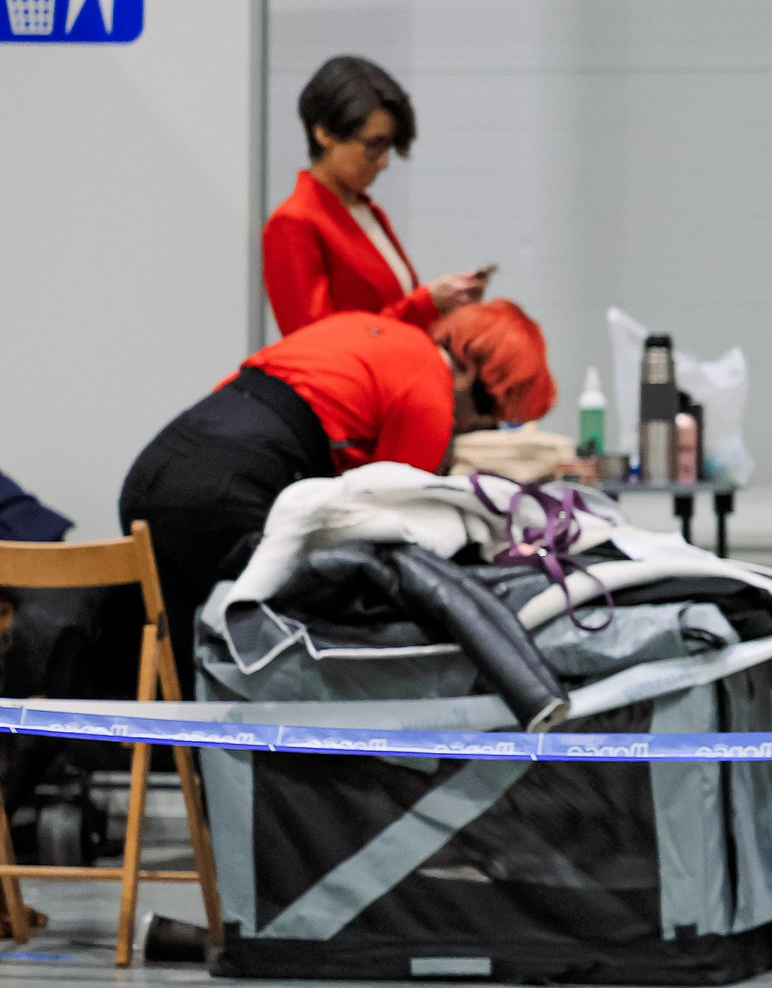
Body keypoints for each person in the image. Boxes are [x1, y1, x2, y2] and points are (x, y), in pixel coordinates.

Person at [119, 303, 557, 695]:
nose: (470, 430)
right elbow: (399, 513)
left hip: (155, 469)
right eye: (488, 416)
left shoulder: (369, 328)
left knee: (180, 670)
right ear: (472, 374)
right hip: (225, 490)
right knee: (278, 646)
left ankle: (194, 782)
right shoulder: (429, 392)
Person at [263, 57, 488, 335]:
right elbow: (315, 346)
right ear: (324, 133)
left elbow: (387, 315)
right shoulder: (294, 223)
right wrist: (425, 303)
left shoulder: (366, 211)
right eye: (373, 145)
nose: (383, 162)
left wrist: (439, 304)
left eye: (388, 148)